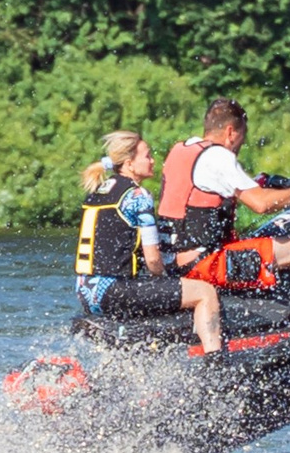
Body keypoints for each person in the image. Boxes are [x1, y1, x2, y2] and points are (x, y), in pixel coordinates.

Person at [157, 98, 290, 319]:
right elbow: (261, 204)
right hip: (203, 264)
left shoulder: (181, 149)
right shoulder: (219, 156)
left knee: (257, 239)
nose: (238, 148)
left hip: (174, 261)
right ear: (231, 132)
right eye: (241, 141)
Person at [76, 131, 226, 355]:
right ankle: (216, 365)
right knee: (204, 292)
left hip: (86, 291)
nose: (153, 160)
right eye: (147, 156)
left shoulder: (98, 191)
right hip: (114, 290)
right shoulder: (137, 195)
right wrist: (169, 280)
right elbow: (153, 259)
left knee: (160, 292)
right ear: (129, 164)